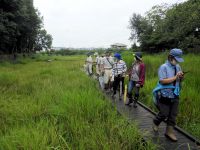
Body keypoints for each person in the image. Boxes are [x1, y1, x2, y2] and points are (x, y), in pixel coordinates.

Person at [152, 48, 184, 142]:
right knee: (164, 113)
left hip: (175, 93)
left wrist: (181, 77)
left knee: (173, 114)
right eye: (176, 60)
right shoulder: (164, 67)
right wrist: (175, 77)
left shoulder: (178, 67)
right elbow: (162, 81)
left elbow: (179, 79)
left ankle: (169, 132)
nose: (177, 62)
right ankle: (156, 122)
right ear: (170, 57)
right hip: (165, 94)